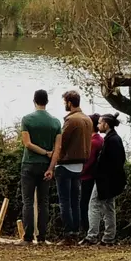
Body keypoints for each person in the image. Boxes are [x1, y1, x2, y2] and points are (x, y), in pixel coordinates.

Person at [18, 89, 61, 243]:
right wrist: (51, 168)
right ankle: (42, 237)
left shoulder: (27, 119)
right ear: (47, 102)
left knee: (28, 201)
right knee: (44, 202)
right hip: (46, 167)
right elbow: (58, 149)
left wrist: (43, 152)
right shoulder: (56, 122)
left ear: (34, 101)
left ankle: (28, 237)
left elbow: (27, 144)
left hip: (29, 164)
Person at [50, 90, 93, 238]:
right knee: (76, 200)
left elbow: (61, 142)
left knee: (65, 201)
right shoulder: (87, 119)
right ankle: (76, 230)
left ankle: (68, 232)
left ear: (69, 102)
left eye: (65, 102)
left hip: (66, 164)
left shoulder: (71, 120)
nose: (64, 105)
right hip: (80, 165)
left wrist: (53, 157)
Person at [84, 113, 127, 245]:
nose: (98, 125)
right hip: (112, 179)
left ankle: (92, 236)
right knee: (109, 207)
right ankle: (109, 237)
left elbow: (108, 162)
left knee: (94, 205)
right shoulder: (114, 139)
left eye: (99, 123)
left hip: (105, 179)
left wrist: (98, 173)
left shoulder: (111, 141)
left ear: (106, 124)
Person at [79, 114, 102, 238]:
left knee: (85, 205)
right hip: (92, 178)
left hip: (87, 178)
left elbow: (88, 162)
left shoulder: (93, 142)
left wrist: (78, 173)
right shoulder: (100, 140)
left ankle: (87, 232)